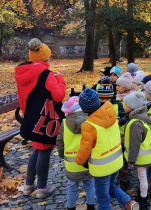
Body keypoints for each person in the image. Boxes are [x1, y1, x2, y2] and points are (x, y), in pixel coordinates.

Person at [15, 38, 66, 198]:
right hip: (45, 119)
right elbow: (58, 96)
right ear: (46, 57)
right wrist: (60, 79)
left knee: (37, 150)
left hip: (30, 118)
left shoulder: (22, 71)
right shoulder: (46, 74)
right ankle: (42, 188)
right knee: (44, 151)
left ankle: (28, 185)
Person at [75, 88, 139, 210]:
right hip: (115, 162)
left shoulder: (88, 125)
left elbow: (85, 149)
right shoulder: (112, 117)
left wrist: (79, 161)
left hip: (101, 167)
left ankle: (127, 202)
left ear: (83, 108)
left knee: (102, 198)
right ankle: (128, 202)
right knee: (112, 186)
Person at [56, 96, 95, 210]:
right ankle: (91, 206)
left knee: (72, 187)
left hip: (71, 164)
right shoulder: (89, 121)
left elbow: (59, 141)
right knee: (89, 186)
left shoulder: (64, 124)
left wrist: (62, 155)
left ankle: (71, 207)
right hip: (87, 161)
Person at [123, 92, 151, 209]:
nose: (123, 105)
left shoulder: (135, 123)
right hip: (145, 155)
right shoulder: (138, 119)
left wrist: (131, 160)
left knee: (142, 178)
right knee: (143, 177)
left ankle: (143, 199)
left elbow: (135, 143)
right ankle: (143, 195)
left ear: (132, 107)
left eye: (125, 104)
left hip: (141, 157)